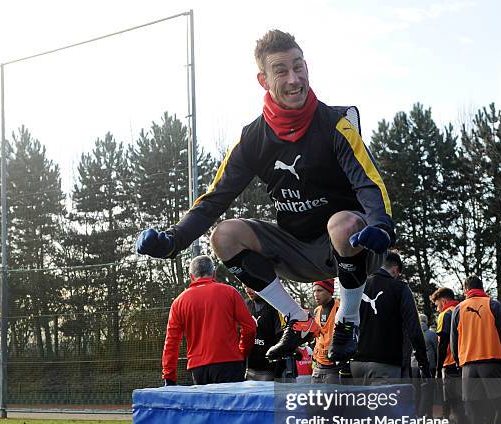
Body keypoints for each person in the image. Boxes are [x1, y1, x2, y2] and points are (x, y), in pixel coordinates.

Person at [137, 29, 394, 366]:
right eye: (281, 70)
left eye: (298, 66)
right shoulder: (253, 138)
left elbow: (368, 183)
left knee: (342, 223)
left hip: (353, 245)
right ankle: (296, 318)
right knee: (224, 236)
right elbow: (215, 198)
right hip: (294, 250)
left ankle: (348, 320)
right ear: (263, 79)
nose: (294, 79)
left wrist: (382, 226)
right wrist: (173, 240)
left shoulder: (337, 123)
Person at [350, 252, 430, 424]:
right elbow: (414, 329)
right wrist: (423, 363)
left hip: (355, 363)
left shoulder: (357, 286)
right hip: (385, 364)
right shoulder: (400, 288)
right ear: (396, 270)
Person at [162, 255, 256, 385]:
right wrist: (242, 352)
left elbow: (171, 342)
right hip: (229, 363)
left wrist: (169, 376)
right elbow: (250, 327)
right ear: (214, 274)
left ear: (191, 276)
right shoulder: (230, 292)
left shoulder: (179, 302)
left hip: (198, 368)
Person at [450, 276, 501, 424]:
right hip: (492, 360)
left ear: (466, 289)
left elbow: (453, 340)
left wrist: (461, 363)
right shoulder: (494, 304)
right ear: (482, 287)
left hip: (468, 366)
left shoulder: (458, 309)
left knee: (474, 412)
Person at [430, 287, 476, 424]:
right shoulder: (463, 309)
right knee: (461, 408)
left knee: (456, 409)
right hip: (465, 364)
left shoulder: (446, 313)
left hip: (450, 365)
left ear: (442, 300)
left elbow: (442, 345)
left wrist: (437, 368)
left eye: (436, 305)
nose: (437, 309)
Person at [244, 286, 284, 381]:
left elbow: (281, 338)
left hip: (269, 370)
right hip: (249, 368)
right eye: (244, 286)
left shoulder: (275, 306)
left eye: (250, 286)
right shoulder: (246, 304)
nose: (247, 290)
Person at [311, 279, 341, 384]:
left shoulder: (340, 309)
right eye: (314, 291)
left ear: (330, 291)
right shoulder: (316, 311)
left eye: (319, 291)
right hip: (317, 367)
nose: (315, 294)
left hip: (334, 368)